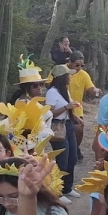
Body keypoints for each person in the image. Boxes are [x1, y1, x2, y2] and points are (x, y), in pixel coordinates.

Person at [46, 64, 81, 196]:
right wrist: (67, 107)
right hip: (57, 126)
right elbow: (49, 113)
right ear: (62, 77)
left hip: (68, 124)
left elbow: (69, 108)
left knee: (72, 158)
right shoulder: (52, 92)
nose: (70, 77)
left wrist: (77, 118)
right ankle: (57, 191)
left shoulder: (64, 90)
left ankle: (67, 188)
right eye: (68, 75)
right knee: (62, 160)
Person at [66, 51, 100, 160]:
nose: (79, 67)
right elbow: (49, 84)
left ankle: (75, 148)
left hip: (76, 108)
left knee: (79, 129)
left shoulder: (84, 74)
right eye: (77, 65)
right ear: (70, 62)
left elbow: (90, 88)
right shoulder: (61, 70)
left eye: (82, 65)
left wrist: (95, 91)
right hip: (62, 107)